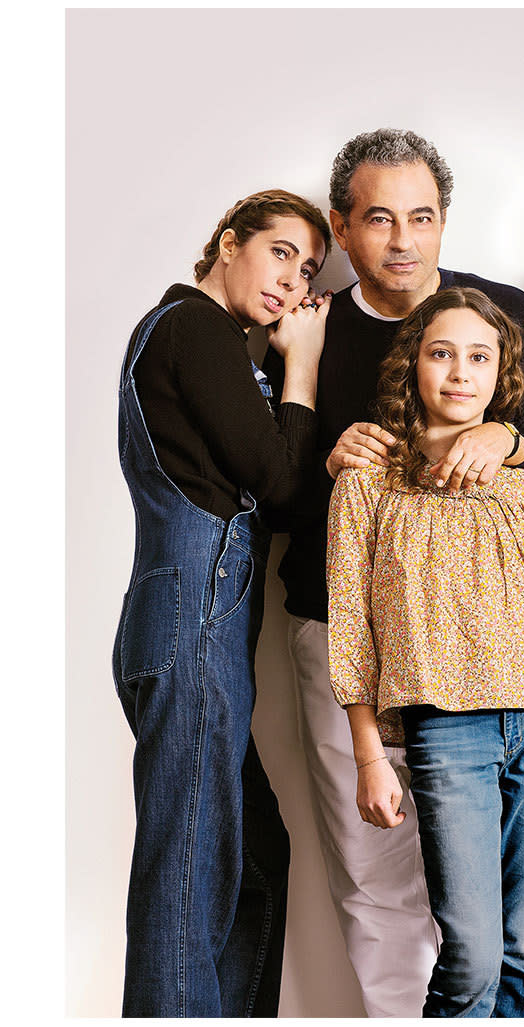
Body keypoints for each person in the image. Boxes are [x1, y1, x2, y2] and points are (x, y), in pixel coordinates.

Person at [262, 128, 524, 1016]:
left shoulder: (501, 318)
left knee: (500, 908)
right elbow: (272, 498)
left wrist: (511, 438)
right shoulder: (310, 330)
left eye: (421, 217)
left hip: (494, 650)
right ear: (341, 230)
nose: (402, 240)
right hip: (347, 631)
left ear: (443, 223)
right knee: (377, 864)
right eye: (379, 219)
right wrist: (320, 457)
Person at [326, 286, 524, 1018]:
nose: (461, 372)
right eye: (443, 353)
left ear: (500, 375)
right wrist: (367, 756)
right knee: (474, 954)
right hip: (446, 729)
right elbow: (352, 629)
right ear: (413, 367)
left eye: (479, 356)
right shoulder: (366, 484)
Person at [112, 189, 332, 1017]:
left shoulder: (199, 342)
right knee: (188, 868)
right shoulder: (193, 327)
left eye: (308, 270)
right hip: (192, 624)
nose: (291, 281)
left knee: (256, 852)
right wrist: (301, 366)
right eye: (280, 253)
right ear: (228, 244)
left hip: (180, 618)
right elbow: (279, 488)